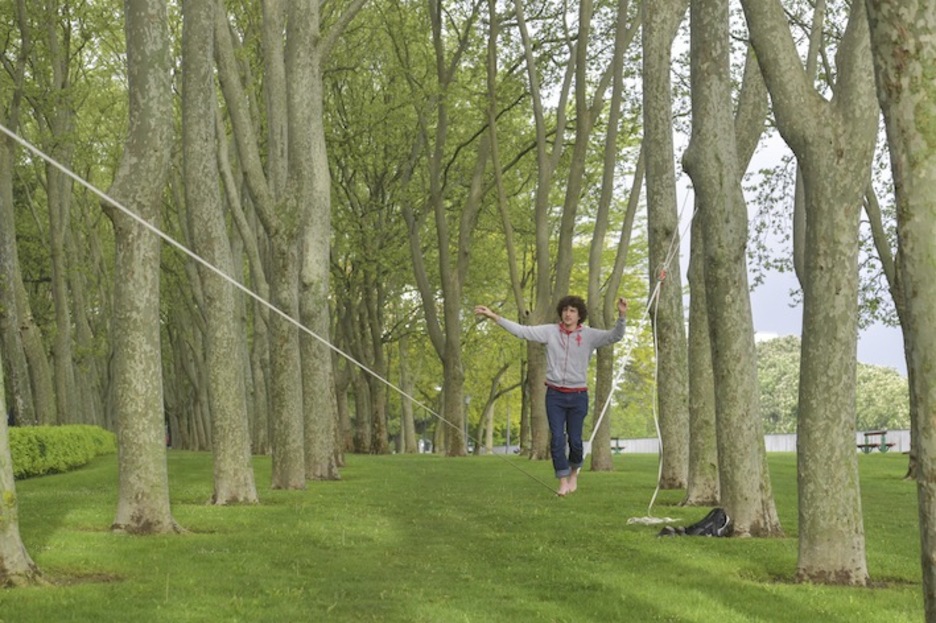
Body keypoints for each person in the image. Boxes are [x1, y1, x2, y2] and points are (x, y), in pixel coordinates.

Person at [474, 295, 628, 496]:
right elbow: (523, 331)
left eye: (572, 310)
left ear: (579, 315)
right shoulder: (550, 332)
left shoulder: (589, 335)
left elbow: (615, 336)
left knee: (574, 441)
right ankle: (563, 481)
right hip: (555, 395)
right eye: (565, 310)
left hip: (578, 395)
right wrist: (494, 316)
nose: (568, 313)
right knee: (556, 439)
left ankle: (574, 474)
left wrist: (622, 315)